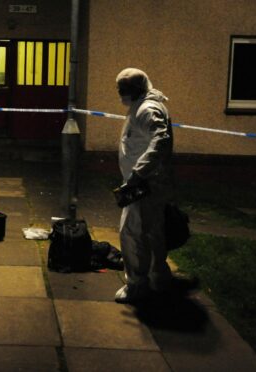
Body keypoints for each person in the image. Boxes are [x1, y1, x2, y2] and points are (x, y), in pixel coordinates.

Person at [114, 67, 174, 303]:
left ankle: (138, 285)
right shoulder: (144, 106)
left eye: (122, 89)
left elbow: (161, 140)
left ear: (134, 89)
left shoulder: (147, 110)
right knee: (152, 232)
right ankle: (158, 278)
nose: (119, 93)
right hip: (149, 182)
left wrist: (138, 173)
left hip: (144, 184)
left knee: (132, 232)